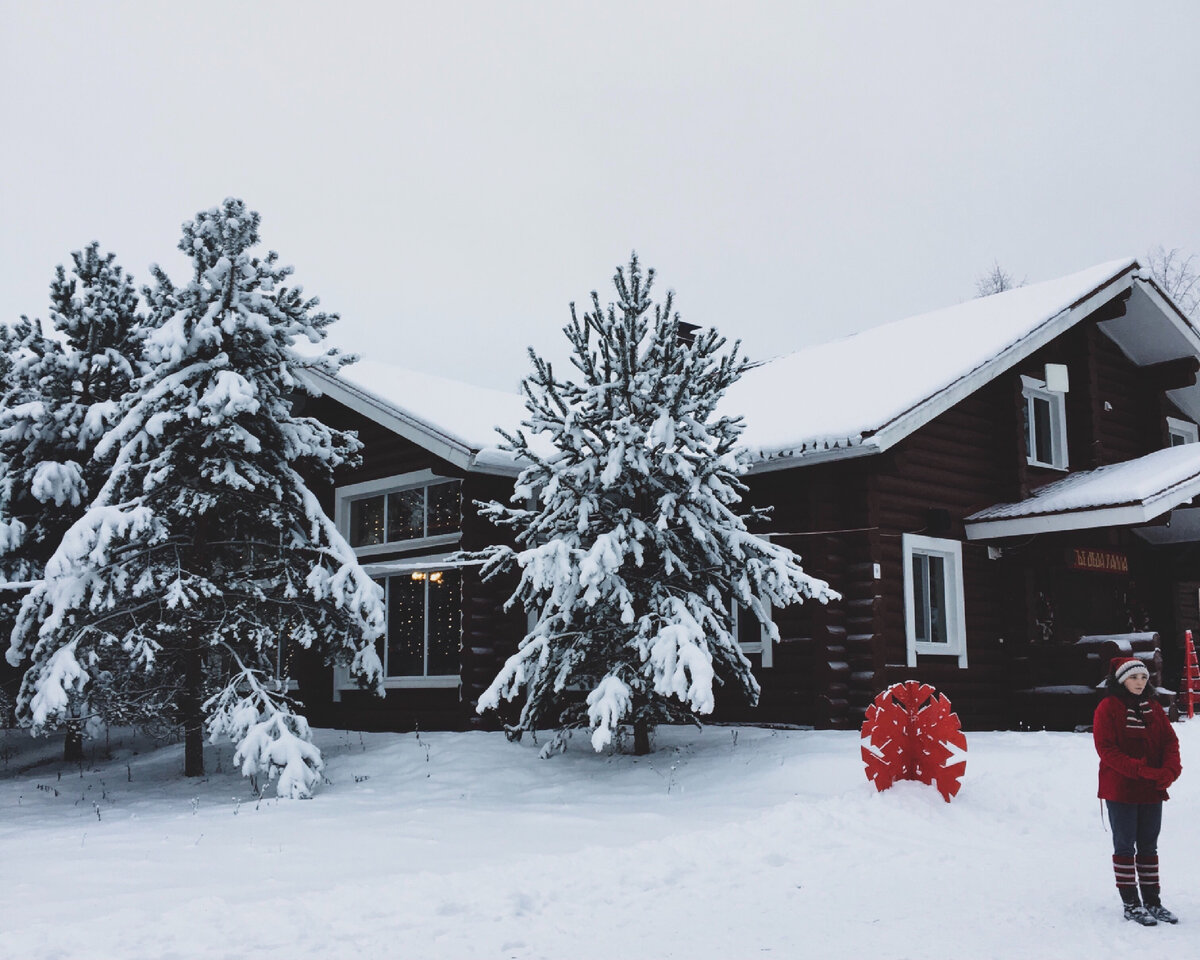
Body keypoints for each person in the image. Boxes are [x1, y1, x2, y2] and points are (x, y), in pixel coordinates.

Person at [1093, 656, 1182, 925]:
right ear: (1121, 679)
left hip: (1152, 787)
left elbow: (1170, 742)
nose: (1140, 682)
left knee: (1148, 845)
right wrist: (1138, 770)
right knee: (1124, 845)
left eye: (1143, 677)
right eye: (1133, 677)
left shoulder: (1153, 707)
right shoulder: (1107, 708)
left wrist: (1170, 770)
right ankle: (1131, 904)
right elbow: (1106, 749)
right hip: (1121, 788)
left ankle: (1152, 901)